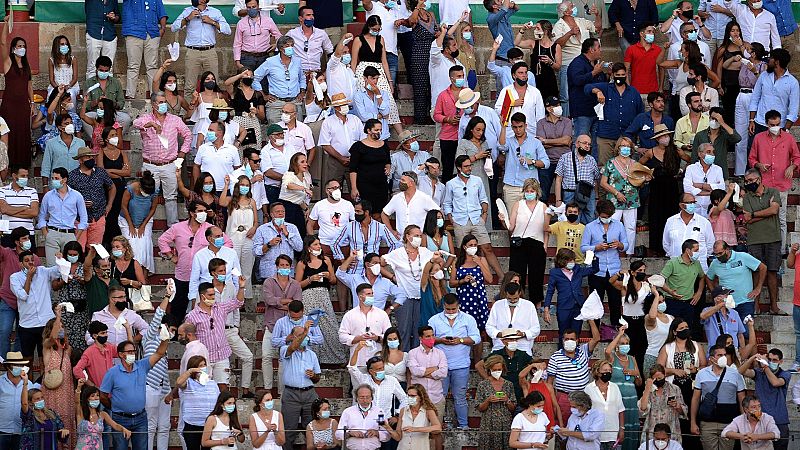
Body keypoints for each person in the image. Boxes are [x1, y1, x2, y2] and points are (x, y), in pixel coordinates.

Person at [99, 334, 169, 450]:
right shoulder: (112, 372)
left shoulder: (142, 365)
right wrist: (115, 407)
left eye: (134, 351)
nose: (133, 354)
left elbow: (159, 354)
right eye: (129, 352)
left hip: (140, 417)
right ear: (121, 354)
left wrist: (165, 339)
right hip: (120, 419)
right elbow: (103, 396)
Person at [133, 91, 192, 227]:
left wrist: (182, 152)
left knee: (171, 198)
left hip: (169, 164)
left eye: (164, 102)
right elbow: (136, 123)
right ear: (153, 105)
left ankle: (173, 227)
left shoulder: (175, 119)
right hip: (150, 165)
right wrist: (150, 124)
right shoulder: (146, 118)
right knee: (148, 195)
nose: (163, 104)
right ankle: (146, 225)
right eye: (160, 102)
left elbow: (187, 134)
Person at [444, 156, 504, 279]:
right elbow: (447, 203)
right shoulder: (451, 184)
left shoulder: (477, 180)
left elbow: (483, 199)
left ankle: (502, 276)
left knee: (487, 247)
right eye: (466, 166)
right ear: (459, 168)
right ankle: (463, 277)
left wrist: (485, 214)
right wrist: (452, 219)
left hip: (477, 219)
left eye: (470, 165)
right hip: (460, 221)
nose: (469, 168)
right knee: (462, 251)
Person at [428, 294, 480, 429]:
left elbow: (476, 338)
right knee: (440, 397)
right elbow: (427, 339)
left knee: (460, 397)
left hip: (461, 365)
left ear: (458, 306)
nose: (450, 312)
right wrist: (441, 340)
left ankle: (463, 425)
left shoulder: (468, 319)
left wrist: (460, 340)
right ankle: (439, 424)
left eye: (453, 309)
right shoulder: (434, 320)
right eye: (448, 309)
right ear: (443, 306)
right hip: (440, 366)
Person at [749, 110, 799, 251]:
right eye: (772, 124)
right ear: (766, 124)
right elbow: (751, 159)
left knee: (781, 218)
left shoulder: (788, 138)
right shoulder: (758, 138)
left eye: (778, 124)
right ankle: (766, 248)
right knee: (765, 218)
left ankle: (781, 250)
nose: (775, 127)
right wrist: (758, 165)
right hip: (764, 186)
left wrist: (792, 166)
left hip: (782, 184)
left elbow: (797, 157)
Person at [185, 277, 246, 388]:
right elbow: (188, 337)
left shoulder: (220, 308)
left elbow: (238, 302)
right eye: (210, 295)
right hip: (204, 358)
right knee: (204, 388)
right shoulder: (192, 316)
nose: (213, 297)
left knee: (223, 388)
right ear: (202, 297)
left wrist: (241, 287)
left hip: (222, 356)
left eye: (214, 295)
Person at [295, 236, 347, 364]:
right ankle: (312, 359)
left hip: (324, 295)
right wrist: (310, 279)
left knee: (331, 325)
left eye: (319, 244)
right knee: (312, 326)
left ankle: (337, 358)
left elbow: (334, 281)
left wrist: (329, 276)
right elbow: (296, 285)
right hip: (308, 296)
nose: (319, 247)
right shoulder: (302, 263)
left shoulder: (326, 260)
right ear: (308, 248)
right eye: (316, 245)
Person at [498, 177, 547, 305]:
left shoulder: (543, 206)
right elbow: (511, 227)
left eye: (532, 190)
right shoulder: (518, 204)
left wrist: (545, 244)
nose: (529, 193)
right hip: (519, 242)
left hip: (537, 242)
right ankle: (516, 298)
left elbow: (546, 228)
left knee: (536, 274)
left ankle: (537, 301)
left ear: (537, 191)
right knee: (516, 273)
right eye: (527, 190)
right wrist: (503, 220)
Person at [580, 199, 627, 326]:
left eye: (608, 216)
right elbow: (583, 247)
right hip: (596, 270)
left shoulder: (619, 225)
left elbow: (626, 245)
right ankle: (595, 331)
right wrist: (597, 247)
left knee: (615, 303)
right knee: (595, 303)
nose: (606, 218)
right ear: (598, 214)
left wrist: (619, 244)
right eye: (603, 216)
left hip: (614, 270)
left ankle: (616, 330)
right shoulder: (590, 227)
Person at [690, 344, 746, 450]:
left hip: (729, 423)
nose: (723, 357)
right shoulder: (701, 374)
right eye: (720, 355)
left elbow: (742, 399)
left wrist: (743, 422)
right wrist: (693, 422)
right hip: (707, 423)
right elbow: (695, 399)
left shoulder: (735, 374)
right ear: (711, 358)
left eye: (724, 355)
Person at [170, 0, 231, 95]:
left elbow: (228, 30)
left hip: (209, 51)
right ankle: (190, 109)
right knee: (190, 86)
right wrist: (187, 19)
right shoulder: (187, 11)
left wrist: (212, 22)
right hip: (192, 52)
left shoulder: (215, 12)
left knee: (213, 84)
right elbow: (173, 27)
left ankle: (212, 108)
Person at [262, 255, 304, 392]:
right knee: (266, 357)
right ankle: (267, 389)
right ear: (277, 266)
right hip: (271, 324)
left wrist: (279, 303)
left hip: (288, 327)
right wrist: (287, 301)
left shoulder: (295, 284)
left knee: (284, 360)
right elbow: (269, 300)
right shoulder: (269, 282)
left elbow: (297, 305)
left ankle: (282, 391)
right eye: (282, 265)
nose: (284, 268)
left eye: (287, 265)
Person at [554, 2, 603, 117]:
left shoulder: (581, 21)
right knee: (566, 95)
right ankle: (567, 121)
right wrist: (570, 33)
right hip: (568, 62)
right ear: (566, 12)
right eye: (572, 6)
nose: (574, 6)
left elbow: (597, 28)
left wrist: (597, 15)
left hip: (586, 61)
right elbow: (557, 43)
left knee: (588, 89)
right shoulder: (559, 25)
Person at [11, 250, 61, 360]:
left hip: (45, 323)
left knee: (45, 358)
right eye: (27, 260)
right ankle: (27, 378)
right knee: (27, 360)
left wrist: (59, 259)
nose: (30, 263)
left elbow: (58, 270)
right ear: (21, 264)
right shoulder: (15, 277)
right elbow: (23, 295)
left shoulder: (43, 271)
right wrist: (29, 276)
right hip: (27, 325)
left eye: (32, 260)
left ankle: (44, 378)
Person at [139, 291, 172, 450]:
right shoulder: (149, 337)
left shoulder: (166, 346)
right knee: (150, 426)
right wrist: (166, 297)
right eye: (169, 328)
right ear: (162, 326)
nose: (171, 332)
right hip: (150, 386)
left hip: (164, 387)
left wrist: (169, 391)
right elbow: (158, 315)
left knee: (164, 427)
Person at [280, 324, 323, 450]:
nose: (305, 337)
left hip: (310, 393)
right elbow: (293, 347)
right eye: (301, 335)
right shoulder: (285, 349)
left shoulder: (312, 354)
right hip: (291, 394)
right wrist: (305, 332)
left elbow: (317, 378)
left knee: (311, 428)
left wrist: (313, 375)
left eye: (306, 335)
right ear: (293, 337)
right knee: (289, 429)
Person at [738, 349, 790, 450]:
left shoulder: (785, 374)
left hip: (780, 421)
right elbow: (741, 371)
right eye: (769, 359)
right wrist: (753, 357)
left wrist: (765, 367)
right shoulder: (758, 373)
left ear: (781, 362)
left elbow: (775, 383)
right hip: (760, 420)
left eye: (774, 360)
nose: (771, 362)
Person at [599, 137, 643, 257]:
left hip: (632, 199)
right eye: (623, 146)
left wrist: (644, 179)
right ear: (618, 148)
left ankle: (629, 252)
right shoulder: (610, 163)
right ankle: (612, 251)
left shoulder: (635, 164)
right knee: (612, 225)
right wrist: (616, 193)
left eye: (628, 146)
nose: (626, 149)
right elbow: (603, 183)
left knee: (631, 227)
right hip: (614, 200)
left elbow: (639, 182)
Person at [339, 283, 393, 376]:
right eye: (368, 294)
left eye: (372, 293)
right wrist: (358, 338)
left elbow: (390, 335)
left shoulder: (382, 314)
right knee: (359, 389)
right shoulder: (350, 315)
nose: (371, 296)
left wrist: (377, 338)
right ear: (360, 297)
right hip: (358, 361)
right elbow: (342, 336)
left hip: (378, 361)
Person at [0, 20, 33, 169]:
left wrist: (32, 103)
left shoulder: (26, 66)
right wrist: (6, 24)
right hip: (9, 105)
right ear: (13, 48)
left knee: (23, 133)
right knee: (9, 132)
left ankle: (23, 165)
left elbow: (29, 85)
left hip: (23, 105)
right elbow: (2, 44)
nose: (22, 48)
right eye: (19, 46)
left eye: (24, 46)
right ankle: (9, 164)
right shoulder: (8, 62)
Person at [40, 311, 76, 448]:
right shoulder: (47, 346)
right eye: (58, 326)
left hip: (66, 390)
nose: (61, 329)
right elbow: (53, 337)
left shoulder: (67, 350)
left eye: (62, 327)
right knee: (54, 419)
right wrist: (58, 317)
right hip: (52, 392)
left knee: (66, 420)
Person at [337, 250, 407, 319]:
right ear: (367, 265)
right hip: (358, 318)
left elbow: (402, 295)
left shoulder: (385, 282)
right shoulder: (355, 279)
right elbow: (339, 274)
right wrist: (351, 257)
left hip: (378, 319)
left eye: (379, 263)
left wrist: (390, 309)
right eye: (375, 263)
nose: (378, 266)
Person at [498, 113, 549, 208]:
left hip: (529, 187)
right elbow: (501, 147)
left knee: (529, 219)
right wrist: (503, 127)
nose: (518, 130)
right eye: (515, 127)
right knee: (511, 219)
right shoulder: (509, 141)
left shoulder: (535, 142)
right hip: (511, 186)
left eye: (520, 126)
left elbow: (546, 163)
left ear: (525, 125)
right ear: (512, 127)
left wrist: (532, 161)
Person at [544, 248, 596, 340]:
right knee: (563, 334)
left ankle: (575, 354)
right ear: (562, 261)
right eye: (569, 260)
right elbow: (550, 291)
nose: (572, 262)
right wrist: (546, 308)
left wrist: (594, 257)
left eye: (573, 259)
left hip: (578, 306)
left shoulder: (578, 269)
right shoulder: (555, 273)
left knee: (576, 334)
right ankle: (562, 353)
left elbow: (594, 269)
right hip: (563, 307)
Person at [0, 227, 37, 358]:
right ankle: (2, 362)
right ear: (17, 242)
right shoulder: (7, 253)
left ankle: (15, 362)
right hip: (8, 300)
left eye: (28, 237)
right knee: (4, 331)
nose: (28, 241)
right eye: (24, 239)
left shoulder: (35, 258)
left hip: (26, 302)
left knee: (22, 334)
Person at [567, 38, 608, 156]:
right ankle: (575, 168)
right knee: (580, 140)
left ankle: (592, 170)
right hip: (582, 112)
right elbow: (577, 80)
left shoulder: (596, 64)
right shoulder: (577, 63)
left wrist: (608, 75)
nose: (601, 50)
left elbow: (601, 83)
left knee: (595, 144)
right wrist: (593, 73)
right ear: (591, 50)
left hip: (596, 111)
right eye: (599, 47)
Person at [748, 49, 798, 141]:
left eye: (771, 58)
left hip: (779, 126)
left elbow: (794, 110)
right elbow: (755, 98)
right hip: (759, 123)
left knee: (776, 155)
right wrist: (751, 120)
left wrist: (785, 130)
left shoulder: (792, 83)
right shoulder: (763, 76)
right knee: (754, 154)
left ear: (776, 62)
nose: (768, 60)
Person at [476, 328, 535, 405]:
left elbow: (534, 364)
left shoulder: (522, 355)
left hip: (518, 392)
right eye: (510, 339)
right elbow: (478, 366)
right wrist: (489, 380)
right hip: (500, 393)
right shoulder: (497, 354)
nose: (513, 342)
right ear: (503, 341)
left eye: (515, 339)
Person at [347, 344, 409, 418]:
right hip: (367, 419)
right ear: (371, 371)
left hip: (385, 420)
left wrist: (397, 415)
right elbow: (352, 368)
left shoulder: (392, 381)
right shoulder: (364, 379)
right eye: (378, 369)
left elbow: (404, 398)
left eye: (382, 368)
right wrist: (356, 350)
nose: (381, 371)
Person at [221, 175, 257, 296]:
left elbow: (256, 221)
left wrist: (254, 228)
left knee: (246, 269)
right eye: (242, 185)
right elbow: (221, 202)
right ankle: (232, 295)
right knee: (233, 268)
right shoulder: (231, 200)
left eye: (247, 185)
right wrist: (226, 185)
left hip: (248, 238)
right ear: (237, 186)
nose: (245, 187)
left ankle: (245, 296)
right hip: (233, 238)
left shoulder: (252, 202)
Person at [121, 0, 165, 99]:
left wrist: (163, 28)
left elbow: (162, 13)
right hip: (133, 33)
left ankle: (155, 96)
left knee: (152, 66)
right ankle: (130, 95)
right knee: (133, 66)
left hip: (152, 33)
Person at [177, 355, 221, 450]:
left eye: (204, 364)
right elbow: (179, 383)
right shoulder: (188, 383)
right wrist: (191, 371)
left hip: (209, 425)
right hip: (192, 424)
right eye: (200, 365)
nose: (203, 367)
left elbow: (218, 402)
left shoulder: (212, 383)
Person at [554, 135, 600, 224]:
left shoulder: (592, 160)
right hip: (570, 193)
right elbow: (558, 180)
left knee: (590, 220)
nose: (587, 146)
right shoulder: (565, 157)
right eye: (584, 143)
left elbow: (595, 180)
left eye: (589, 144)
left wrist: (596, 198)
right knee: (572, 222)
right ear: (577, 143)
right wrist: (558, 200)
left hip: (588, 194)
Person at [119, 171, 159, 273]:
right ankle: (131, 271)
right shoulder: (130, 189)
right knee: (131, 244)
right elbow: (124, 206)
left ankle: (144, 274)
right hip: (127, 220)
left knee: (144, 245)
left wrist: (143, 225)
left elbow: (153, 209)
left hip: (145, 220)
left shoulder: (154, 192)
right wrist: (131, 225)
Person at [456, 116, 493, 227]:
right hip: (469, 177)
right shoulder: (464, 143)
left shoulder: (484, 143)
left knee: (484, 200)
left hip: (483, 176)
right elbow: (459, 161)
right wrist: (476, 156)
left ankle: (485, 228)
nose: (480, 133)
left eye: (482, 130)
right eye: (478, 130)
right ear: (471, 129)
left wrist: (488, 157)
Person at [188, 227, 240, 305]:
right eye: (217, 236)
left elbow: (236, 276)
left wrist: (237, 294)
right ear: (209, 238)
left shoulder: (231, 253)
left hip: (227, 293)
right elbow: (194, 280)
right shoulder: (199, 255)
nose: (221, 238)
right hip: (207, 294)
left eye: (221, 236)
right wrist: (193, 299)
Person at [382, 172, 440, 241]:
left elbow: (438, 213)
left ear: (411, 183)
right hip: (400, 240)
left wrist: (429, 232)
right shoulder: (396, 198)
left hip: (418, 240)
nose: (400, 182)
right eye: (401, 180)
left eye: (403, 180)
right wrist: (391, 231)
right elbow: (384, 214)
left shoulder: (424, 197)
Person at [486, 282, 540, 356]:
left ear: (520, 293)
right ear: (505, 294)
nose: (513, 301)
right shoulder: (497, 305)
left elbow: (536, 328)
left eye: (515, 298)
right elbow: (489, 326)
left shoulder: (529, 305)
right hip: (500, 345)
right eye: (509, 298)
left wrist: (523, 334)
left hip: (522, 346)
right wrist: (500, 334)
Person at [406, 0, 438, 124]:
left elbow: (436, 28)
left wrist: (438, 32)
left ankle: (432, 115)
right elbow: (411, 22)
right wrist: (418, 7)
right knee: (420, 88)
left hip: (432, 54)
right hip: (419, 55)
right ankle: (420, 119)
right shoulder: (414, 14)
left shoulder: (431, 14)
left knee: (432, 85)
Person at [82, 56, 132, 137]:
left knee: (126, 119)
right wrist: (97, 101)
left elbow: (121, 103)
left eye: (106, 71)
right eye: (101, 70)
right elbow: (86, 105)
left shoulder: (115, 82)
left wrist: (111, 103)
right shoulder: (89, 83)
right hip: (96, 112)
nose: (103, 72)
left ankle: (113, 140)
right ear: (96, 69)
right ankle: (96, 139)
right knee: (85, 118)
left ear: (109, 70)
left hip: (112, 113)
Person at [349, 119, 391, 212]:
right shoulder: (358, 146)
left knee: (380, 212)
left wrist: (388, 167)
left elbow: (388, 161)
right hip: (364, 185)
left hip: (381, 185)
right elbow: (353, 169)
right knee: (365, 211)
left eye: (380, 130)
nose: (379, 132)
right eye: (376, 130)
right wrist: (354, 188)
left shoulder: (384, 145)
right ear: (368, 130)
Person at [75, 383, 132, 450]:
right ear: (87, 399)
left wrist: (123, 429)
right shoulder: (81, 414)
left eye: (97, 395)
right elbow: (77, 402)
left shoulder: (103, 414)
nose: (96, 398)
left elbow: (115, 425)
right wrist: (79, 387)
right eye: (92, 396)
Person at [495, 62, 546, 138]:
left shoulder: (535, 92)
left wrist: (541, 133)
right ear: (514, 75)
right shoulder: (506, 91)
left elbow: (540, 114)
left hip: (531, 132)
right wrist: (511, 104)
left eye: (525, 73)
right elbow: (497, 110)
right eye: (520, 73)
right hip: (511, 133)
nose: (524, 75)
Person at [476, 354, 517, 447]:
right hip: (488, 424)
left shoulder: (508, 384)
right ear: (489, 369)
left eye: (499, 369)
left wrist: (507, 400)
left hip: (505, 423)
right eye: (494, 370)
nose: (497, 372)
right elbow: (479, 408)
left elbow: (513, 408)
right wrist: (488, 400)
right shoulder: (483, 385)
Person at [535, 96, 572, 199]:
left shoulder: (567, 121)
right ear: (548, 109)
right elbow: (540, 144)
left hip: (565, 161)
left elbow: (567, 141)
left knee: (566, 195)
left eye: (559, 105)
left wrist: (547, 141)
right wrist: (560, 141)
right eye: (555, 106)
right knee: (543, 194)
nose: (559, 107)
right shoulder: (541, 123)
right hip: (547, 161)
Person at [639, 365, 688, 443]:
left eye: (660, 378)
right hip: (652, 431)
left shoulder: (674, 389)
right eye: (656, 379)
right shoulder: (649, 391)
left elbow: (684, 412)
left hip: (671, 430)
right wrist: (647, 388)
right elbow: (643, 408)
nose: (658, 380)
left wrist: (677, 406)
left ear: (664, 375)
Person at [434, 65, 466, 183]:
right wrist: (448, 119)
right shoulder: (443, 95)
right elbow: (436, 115)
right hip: (447, 136)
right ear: (451, 78)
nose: (461, 78)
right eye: (458, 76)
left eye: (462, 76)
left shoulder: (468, 92)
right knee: (447, 168)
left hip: (464, 136)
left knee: (464, 167)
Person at [584, 359, 625, 450]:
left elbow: (621, 410)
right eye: (605, 370)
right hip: (595, 433)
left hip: (612, 433)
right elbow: (585, 411)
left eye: (610, 371)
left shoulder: (615, 387)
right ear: (598, 372)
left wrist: (622, 428)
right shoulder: (589, 388)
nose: (608, 373)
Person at [515, 20, 561, 100]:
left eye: (538, 28)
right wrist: (522, 30)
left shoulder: (556, 46)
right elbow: (517, 43)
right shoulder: (533, 43)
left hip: (549, 80)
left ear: (545, 31)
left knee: (550, 104)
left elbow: (558, 67)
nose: (535, 30)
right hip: (535, 79)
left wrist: (550, 62)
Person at [19, 380, 70, 450]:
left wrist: (64, 432)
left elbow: (62, 437)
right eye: (37, 399)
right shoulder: (29, 416)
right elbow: (24, 404)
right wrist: (25, 384)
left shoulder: (52, 413)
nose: (41, 400)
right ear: (30, 402)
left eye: (42, 397)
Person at [233, 0, 282, 71]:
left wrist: (276, 45)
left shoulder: (268, 21)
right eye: (249, 7)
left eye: (254, 7)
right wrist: (237, 62)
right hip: (246, 58)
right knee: (247, 81)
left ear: (258, 6)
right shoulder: (241, 23)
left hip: (264, 57)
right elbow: (237, 43)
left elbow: (279, 36)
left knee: (263, 81)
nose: (252, 9)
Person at [0, 166, 40, 249]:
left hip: (27, 235)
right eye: (23, 176)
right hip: (8, 233)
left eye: (27, 176)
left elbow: (34, 212)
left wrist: (10, 210)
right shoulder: (2, 190)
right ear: (14, 176)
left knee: (28, 261)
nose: (25, 178)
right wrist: (24, 208)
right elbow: (3, 209)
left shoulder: (32, 191)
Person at [41, 115, 85, 187]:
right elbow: (46, 166)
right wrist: (45, 186)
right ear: (60, 127)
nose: (70, 125)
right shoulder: (51, 143)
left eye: (71, 123)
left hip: (77, 184)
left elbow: (84, 164)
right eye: (66, 124)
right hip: (57, 183)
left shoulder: (81, 142)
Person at [286, 6, 333, 72]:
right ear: (300, 18)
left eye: (312, 15)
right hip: (298, 72)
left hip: (316, 71)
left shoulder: (321, 33)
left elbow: (330, 52)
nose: (311, 17)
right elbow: (281, 50)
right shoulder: (292, 34)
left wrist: (328, 71)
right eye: (308, 15)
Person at [624, 23, 661, 105]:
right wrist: (628, 88)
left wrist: (661, 88)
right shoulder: (631, 49)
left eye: (653, 32)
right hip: (636, 91)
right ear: (641, 33)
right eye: (649, 31)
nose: (652, 34)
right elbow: (625, 70)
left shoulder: (658, 50)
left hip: (653, 92)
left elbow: (661, 68)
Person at [701, 286, 746, 351]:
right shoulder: (708, 311)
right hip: (717, 352)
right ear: (716, 298)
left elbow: (740, 335)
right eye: (726, 295)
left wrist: (742, 351)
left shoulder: (734, 313)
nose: (729, 297)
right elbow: (703, 316)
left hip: (733, 352)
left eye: (729, 294)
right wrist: (720, 305)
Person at [83, 0, 119, 80]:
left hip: (109, 34)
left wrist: (113, 17)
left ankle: (109, 91)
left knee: (109, 68)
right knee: (92, 67)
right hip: (94, 32)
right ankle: (91, 91)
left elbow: (117, 16)